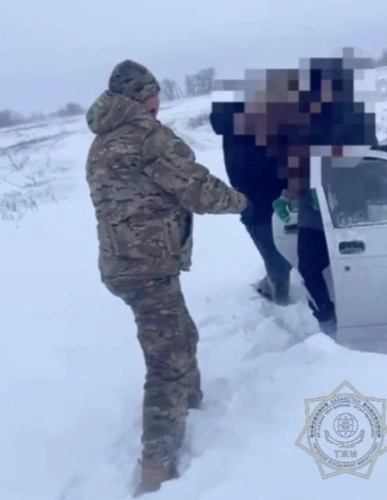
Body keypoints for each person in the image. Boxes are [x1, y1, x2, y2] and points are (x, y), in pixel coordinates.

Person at [85, 59, 251, 496]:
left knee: (180, 335)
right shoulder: (147, 136)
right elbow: (196, 189)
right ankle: (157, 463)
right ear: (141, 96)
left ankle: (192, 402)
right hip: (148, 266)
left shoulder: (102, 141)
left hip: (121, 264)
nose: (160, 100)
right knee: (166, 363)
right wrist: (242, 203)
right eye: (154, 92)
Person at [272, 55, 378, 337]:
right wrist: (288, 195)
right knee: (309, 264)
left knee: (355, 264)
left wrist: (335, 190)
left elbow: (369, 162)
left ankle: (368, 315)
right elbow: (298, 165)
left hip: (349, 204)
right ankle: (326, 316)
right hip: (312, 207)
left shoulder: (355, 119)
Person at [209, 82, 293, 304]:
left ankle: (270, 290)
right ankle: (280, 306)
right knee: (278, 263)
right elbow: (249, 172)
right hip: (259, 207)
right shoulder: (242, 133)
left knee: (286, 256)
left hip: (280, 201)